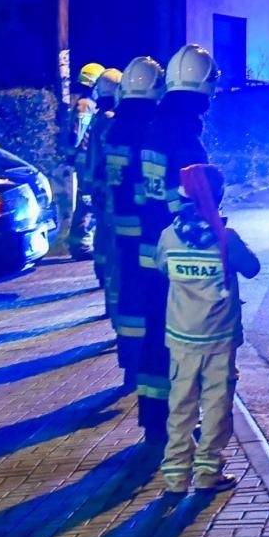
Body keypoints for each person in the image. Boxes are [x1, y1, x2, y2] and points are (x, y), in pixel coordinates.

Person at [155, 162, 260, 497]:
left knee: (180, 404)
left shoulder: (169, 236)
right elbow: (253, 269)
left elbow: (161, 268)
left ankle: (174, 477)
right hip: (219, 338)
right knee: (216, 405)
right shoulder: (225, 238)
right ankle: (207, 473)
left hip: (181, 336)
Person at [137, 44, 219, 453]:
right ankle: (181, 425)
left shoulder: (155, 126)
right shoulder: (185, 138)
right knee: (187, 343)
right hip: (182, 256)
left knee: (155, 335)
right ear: (203, 89)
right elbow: (190, 202)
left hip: (153, 250)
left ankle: (154, 420)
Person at [105, 56, 163, 388]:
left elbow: (110, 177)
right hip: (144, 227)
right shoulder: (147, 127)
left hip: (120, 224)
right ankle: (142, 363)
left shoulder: (116, 126)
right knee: (147, 295)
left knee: (128, 290)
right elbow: (145, 182)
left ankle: (128, 360)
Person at [81, 68, 123, 294]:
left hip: (97, 185)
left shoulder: (98, 118)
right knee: (109, 234)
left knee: (102, 233)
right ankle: (107, 277)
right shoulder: (110, 120)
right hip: (107, 186)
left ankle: (102, 272)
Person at [61, 61, 107, 260]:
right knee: (87, 201)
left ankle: (81, 242)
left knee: (87, 200)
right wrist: (73, 155)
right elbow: (76, 135)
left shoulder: (86, 103)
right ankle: (81, 245)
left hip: (85, 159)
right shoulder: (85, 105)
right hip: (85, 159)